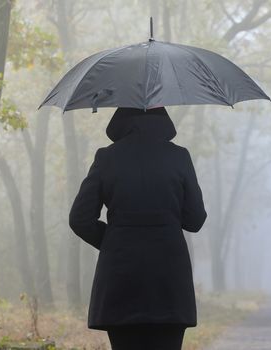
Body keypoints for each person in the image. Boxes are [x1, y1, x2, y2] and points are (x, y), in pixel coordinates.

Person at [68, 106, 207, 350]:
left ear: (120, 119)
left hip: (121, 277)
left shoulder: (107, 157)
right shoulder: (179, 157)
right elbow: (195, 219)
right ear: (163, 119)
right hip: (169, 279)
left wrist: (114, 240)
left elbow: (80, 218)